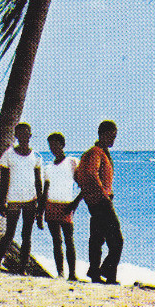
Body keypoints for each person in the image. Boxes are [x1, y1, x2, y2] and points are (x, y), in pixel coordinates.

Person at [0, 122, 44, 274]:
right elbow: (3, 180)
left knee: (27, 235)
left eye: (26, 133)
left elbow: (38, 182)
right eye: (20, 134)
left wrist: (40, 205)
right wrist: (2, 202)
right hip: (13, 200)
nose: (23, 137)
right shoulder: (8, 154)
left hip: (30, 200)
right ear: (16, 136)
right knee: (9, 233)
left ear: (30, 135)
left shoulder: (36, 156)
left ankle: (23, 268)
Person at [75, 120, 123, 285]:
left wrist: (101, 192)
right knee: (116, 240)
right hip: (101, 203)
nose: (113, 140)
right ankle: (104, 272)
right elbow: (90, 173)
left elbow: (80, 176)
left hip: (94, 202)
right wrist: (103, 193)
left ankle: (97, 274)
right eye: (112, 136)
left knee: (97, 238)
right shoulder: (96, 152)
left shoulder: (95, 152)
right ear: (103, 134)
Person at [41, 133, 84, 280]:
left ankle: (72, 274)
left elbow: (83, 185)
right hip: (51, 206)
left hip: (66, 206)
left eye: (55, 144)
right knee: (56, 241)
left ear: (62, 144)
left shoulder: (72, 162)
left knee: (69, 240)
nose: (53, 148)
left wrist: (75, 203)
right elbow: (45, 191)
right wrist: (40, 212)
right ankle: (60, 273)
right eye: (50, 146)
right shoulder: (48, 168)